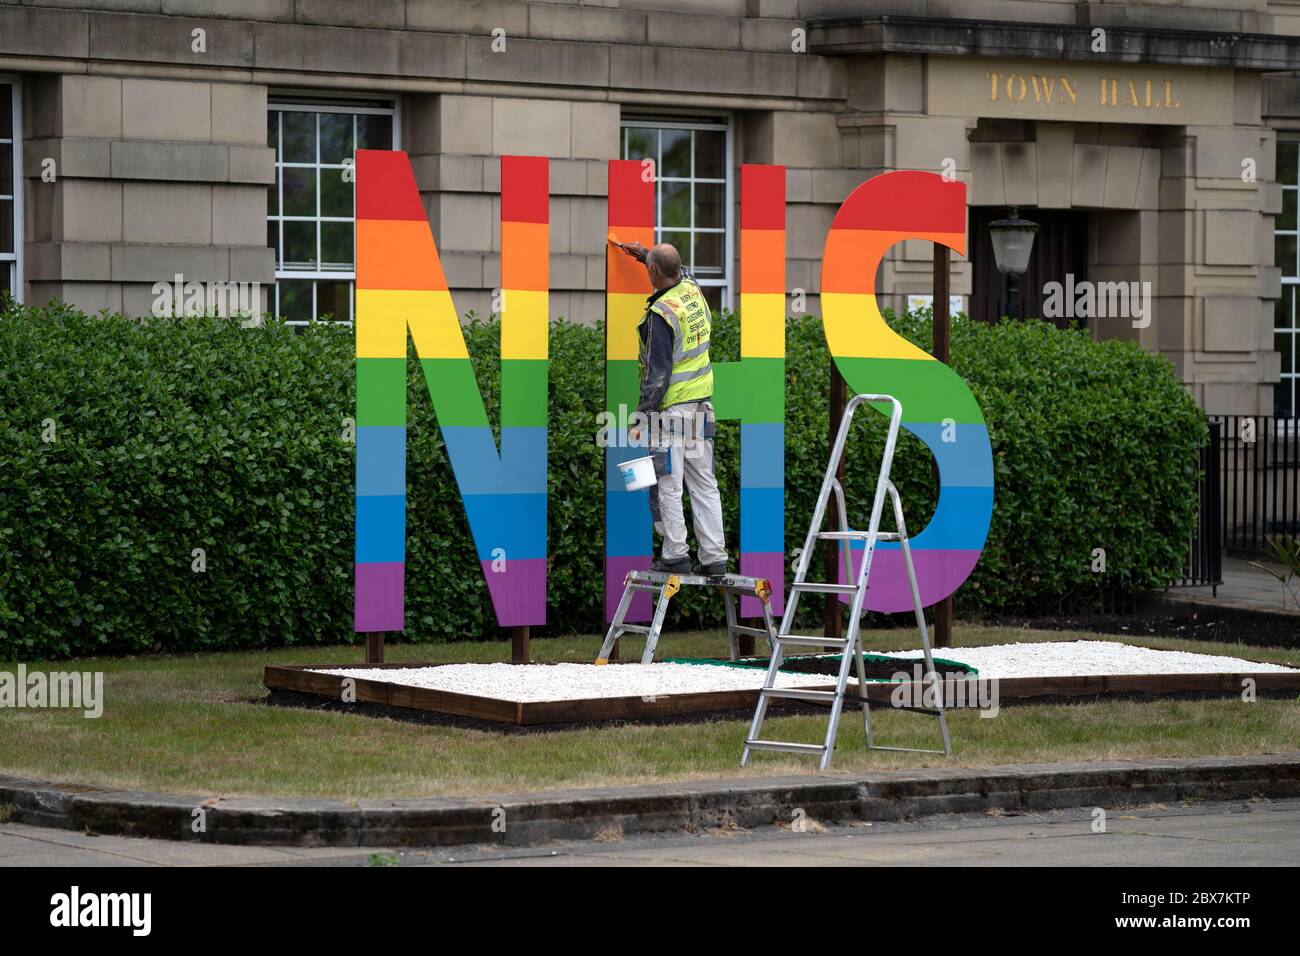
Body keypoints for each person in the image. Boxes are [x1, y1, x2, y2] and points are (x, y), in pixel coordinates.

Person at [616, 240, 728, 577]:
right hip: (702, 409)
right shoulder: (693, 291)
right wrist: (647, 255)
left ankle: (676, 554)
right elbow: (679, 270)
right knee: (705, 484)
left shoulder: (659, 316)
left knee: (668, 483)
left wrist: (641, 415)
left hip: (673, 414)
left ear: (652, 272)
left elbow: (657, 375)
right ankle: (714, 558)